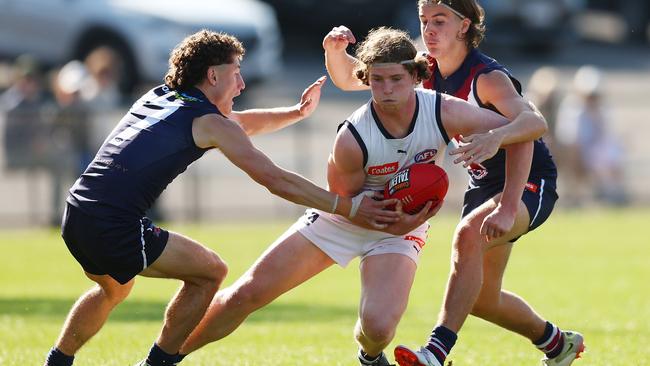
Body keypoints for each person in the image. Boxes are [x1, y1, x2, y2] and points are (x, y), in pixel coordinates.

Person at [173, 27, 545, 366]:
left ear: (417, 77)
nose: (386, 90)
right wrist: (368, 213)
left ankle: (370, 357)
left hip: (400, 227)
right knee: (245, 295)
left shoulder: (444, 110)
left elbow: (522, 131)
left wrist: (504, 192)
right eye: (377, 80)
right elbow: (341, 200)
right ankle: (165, 357)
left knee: (379, 329)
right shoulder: (353, 138)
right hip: (344, 215)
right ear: (365, 79)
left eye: (397, 79)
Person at [42, 30, 397, 366]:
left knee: (113, 290)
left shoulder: (161, 96)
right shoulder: (209, 122)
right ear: (213, 76)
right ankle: (157, 363)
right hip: (111, 224)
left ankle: (57, 361)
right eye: (236, 73)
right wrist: (347, 206)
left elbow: (237, 124)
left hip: (77, 211)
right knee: (210, 272)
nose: (241, 84)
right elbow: (274, 179)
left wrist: (295, 113)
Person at [322, 1, 585, 365]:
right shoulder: (422, 67)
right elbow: (356, 76)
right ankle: (558, 344)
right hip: (483, 186)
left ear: (464, 26)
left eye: (440, 21)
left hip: (527, 182)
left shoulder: (487, 78)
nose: (429, 29)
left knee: (467, 235)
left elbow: (534, 125)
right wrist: (336, 52)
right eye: (424, 20)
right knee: (480, 299)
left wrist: (507, 197)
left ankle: (435, 352)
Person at [555, 65, 627, 206]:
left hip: (596, 154)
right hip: (576, 153)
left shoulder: (603, 110)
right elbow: (570, 139)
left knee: (612, 154)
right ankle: (575, 194)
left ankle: (610, 193)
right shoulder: (573, 109)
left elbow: (607, 139)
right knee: (573, 153)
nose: (592, 98)